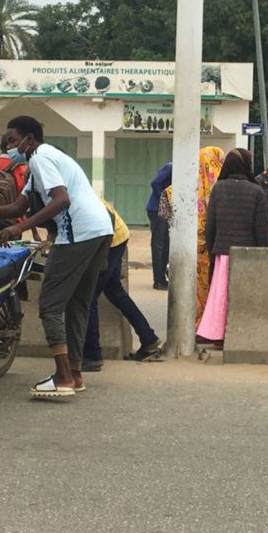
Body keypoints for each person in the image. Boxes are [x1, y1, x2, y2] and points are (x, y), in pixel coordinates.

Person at [0, 116, 113, 398]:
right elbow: (16, 207)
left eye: (13, 139)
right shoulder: (40, 165)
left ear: (30, 139)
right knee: (78, 304)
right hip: (100, 230)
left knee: (50, 304)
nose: (9, 145)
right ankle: (75, 374)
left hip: (77, 233)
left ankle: (63, 377)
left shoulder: (40, 157)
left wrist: (20, 228)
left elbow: (61, 200)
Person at [197, 149, 268, 343]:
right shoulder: (256, 191)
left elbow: (210, 226)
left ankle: (218, 336)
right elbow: (261, 228)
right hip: (247, 254)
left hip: (222, 253)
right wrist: (262, 253)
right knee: (243, 298)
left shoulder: (218, 189)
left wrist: (213, 251)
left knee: (220, 296)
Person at [82, 200, 162, 371]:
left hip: (110, 238)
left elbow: (107, 217)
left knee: (88, 297)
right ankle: (149, 339)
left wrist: (102, 255)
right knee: (113, 290)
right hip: (116, 235)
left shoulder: (61, 192)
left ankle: (92, 356)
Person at [159, 146, 224, 325]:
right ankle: (208, 326)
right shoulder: (221, 187)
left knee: (190, 291)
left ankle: (191, 325)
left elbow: (163, 212)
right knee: (214, 291)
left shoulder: (181, 187)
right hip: (214, 250)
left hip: (186, 250)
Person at [146, 162, 172, 290]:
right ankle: (158, 280)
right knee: (158, 245)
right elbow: (155, 183)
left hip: (164, 210)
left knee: (166, 244)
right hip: (156, 209)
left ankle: (162, 277)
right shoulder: (170, 167)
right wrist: (164, 198)